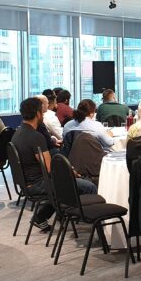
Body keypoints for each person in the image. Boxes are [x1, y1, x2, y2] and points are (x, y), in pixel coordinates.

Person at [11, 97, 97, 231]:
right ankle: (89, 222)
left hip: (27, 183)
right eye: (42, 112)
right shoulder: (36, 137)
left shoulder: (17, 133)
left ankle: (45, 216)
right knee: (89, 186)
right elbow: (50, 169)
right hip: (38, 184)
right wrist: (70, 173)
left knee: (68, 182)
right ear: (38, 114)